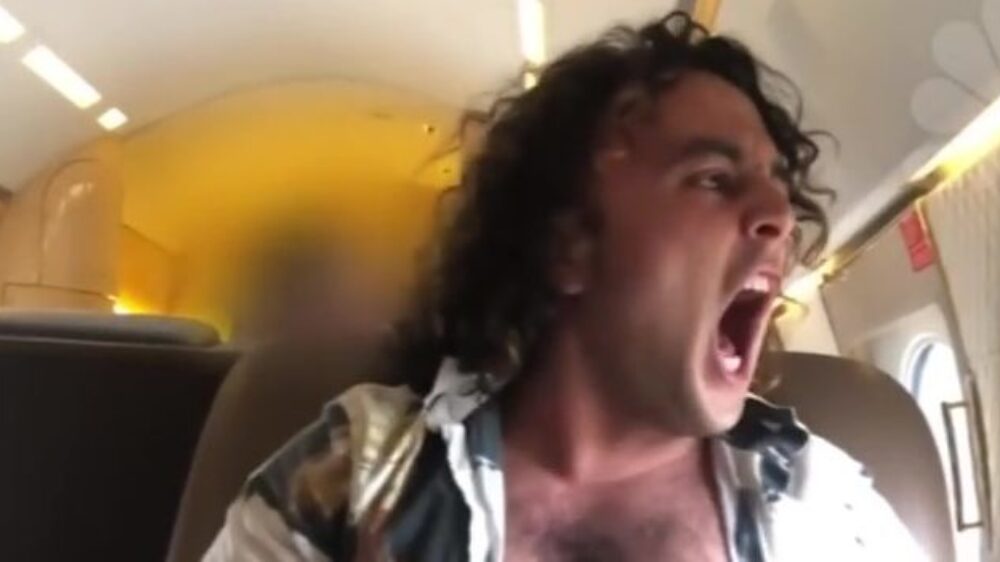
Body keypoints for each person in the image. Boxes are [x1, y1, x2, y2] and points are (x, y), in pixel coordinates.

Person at [205, 11, 925, 561]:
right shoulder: (355, 478)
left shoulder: (824, 512)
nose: (780, 217)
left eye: (778, 186)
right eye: (712, 179)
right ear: (566, 244)